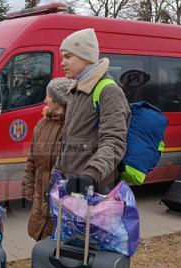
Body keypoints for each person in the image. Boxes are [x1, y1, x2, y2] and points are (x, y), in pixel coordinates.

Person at [52, 28, 130, 196]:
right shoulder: (76, 89)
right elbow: (67, 141)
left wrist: (91, 175)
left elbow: (114, 141)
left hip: (96, 187)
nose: (62, 63)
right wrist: (55, 176)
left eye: (68, 56)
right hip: (72, 183)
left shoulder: (108, 90)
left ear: (86, 58)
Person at [22, 77, 71, 241]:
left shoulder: (73, 127)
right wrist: (28, 185)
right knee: (41, 246)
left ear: (59, 100)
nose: (45, 99)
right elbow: (31, 160)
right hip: (40, 199)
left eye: (48, 95)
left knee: (57, 248)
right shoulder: (42, 124)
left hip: (62, 203)